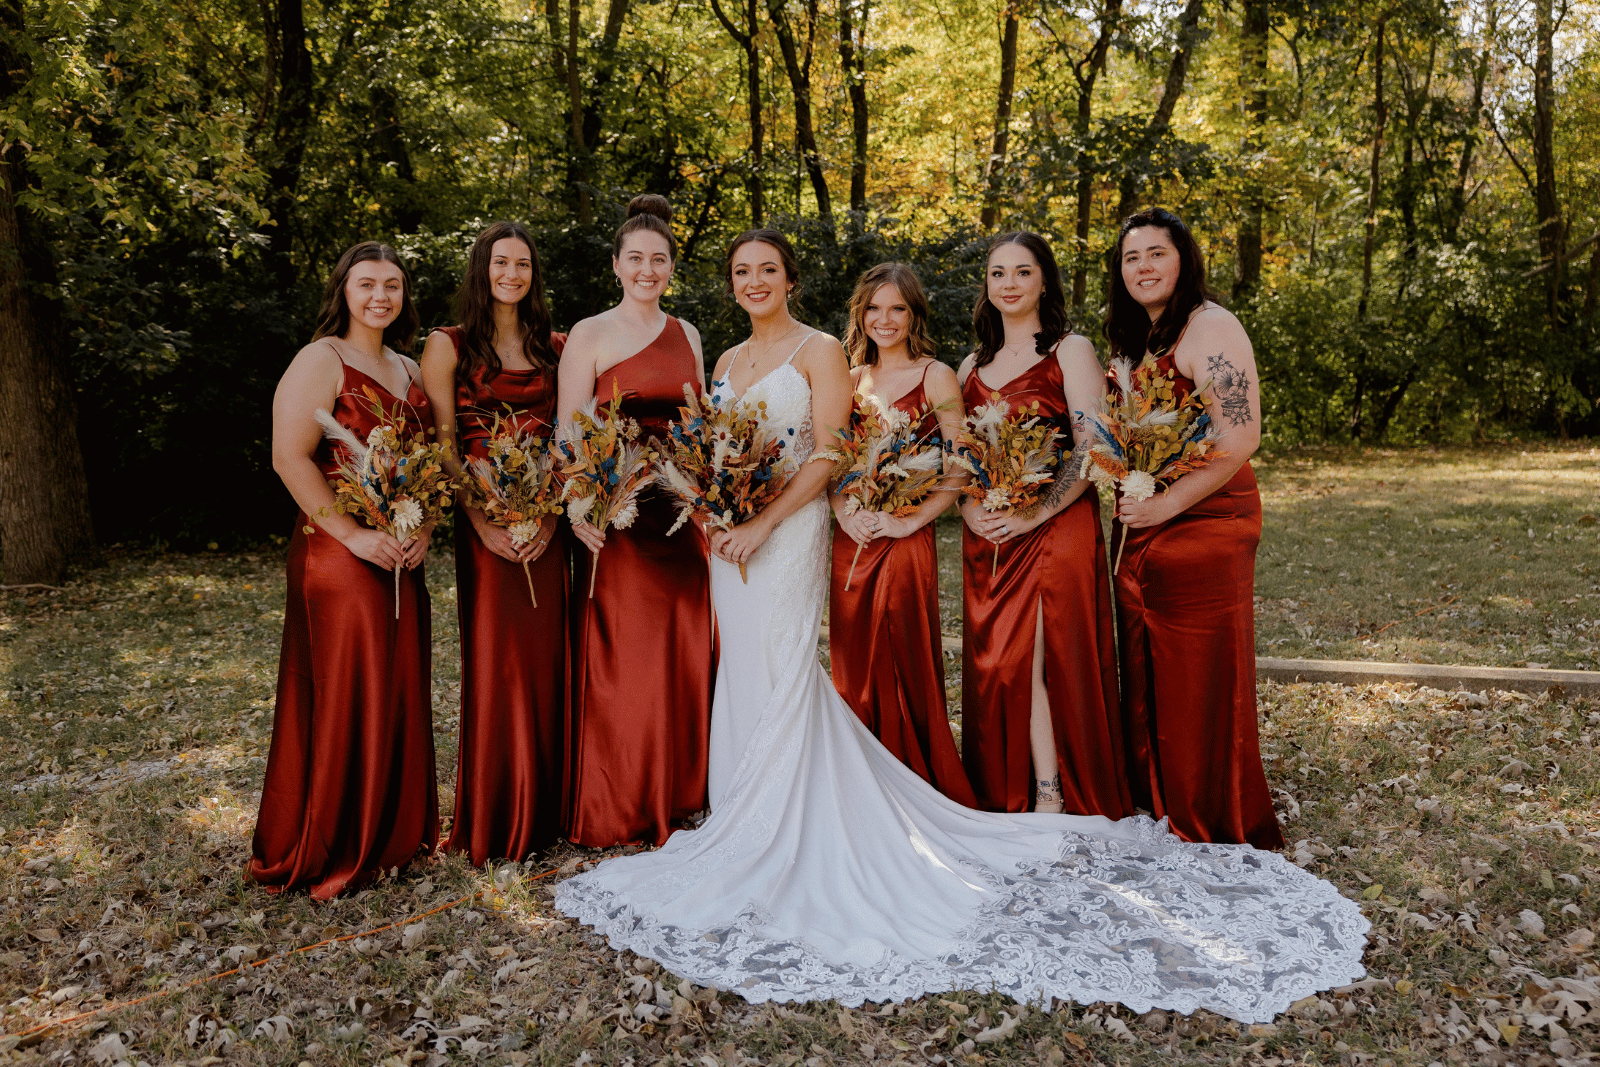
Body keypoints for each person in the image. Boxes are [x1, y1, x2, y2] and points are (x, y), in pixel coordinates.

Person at [552, 228, 1368, 1024]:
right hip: (787, 531)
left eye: (1022, 271)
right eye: (742, 269)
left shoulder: (954, 356)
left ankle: (1039, 792)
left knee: (860, 660)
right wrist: (722, 503)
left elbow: (982, 447)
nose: (754, 280)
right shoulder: (736, 358)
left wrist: (935, 511)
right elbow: (786, 447)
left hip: (870, 529)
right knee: (821, 664)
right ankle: (745, 803)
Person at [249, 241, 438, 899]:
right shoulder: (320, 359)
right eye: (367, 284)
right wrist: (354, 535)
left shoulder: (409, 367)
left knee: (395, 682)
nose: (380, 296)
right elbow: (289, 456)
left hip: (400, 551)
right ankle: (333, 838)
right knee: (346, 687)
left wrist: (424, 529)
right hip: (339, 551)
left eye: (392, 285)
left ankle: (388, 834)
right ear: (344, 290)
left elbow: (426, 464)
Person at [1106, 207, 1285, 850]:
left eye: (1157, 253)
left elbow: (1240, 436)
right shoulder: (1138, 338)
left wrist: (1165, 506)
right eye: (1131, 257)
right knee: (1149, 667)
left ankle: (1206, 811)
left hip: (1206, 520)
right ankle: (1159, 797)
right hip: (1145, 523)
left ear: (1184, 260)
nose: (1144, 267)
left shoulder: (1210, 325)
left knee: (1196, 674)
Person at [557, 194, 714, 848]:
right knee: (627, 652)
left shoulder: (689, 334)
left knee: (685, 642)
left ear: (671, 266)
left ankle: (682, 792)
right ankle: (620, 798)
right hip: (615, 514)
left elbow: (701, 426)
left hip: (679, 514)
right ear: (616, 265)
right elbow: (569, 429)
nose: (648, 270)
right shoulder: (589, 334)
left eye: (659, 259)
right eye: (636, 259)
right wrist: (578, 505)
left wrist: (709, 494)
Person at [956, 232, 1128, 819]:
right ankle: (1010, 787)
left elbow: (1093, 445)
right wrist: (971, 511)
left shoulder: (1069, 350)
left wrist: (1037, 511)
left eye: (1022, 272)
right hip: (991, 534)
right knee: (999, 663)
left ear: (1045, 281)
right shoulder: (971, 366)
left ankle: (1053, 793)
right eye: (997, 273)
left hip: (1056, 525)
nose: (1008, 284)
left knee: (1040, 660)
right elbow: (960, 460)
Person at [419, 221, 567, 865]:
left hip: (546, 524)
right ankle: (498, 812)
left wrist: (551, 520)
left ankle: (553, 808)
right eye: (501, 262)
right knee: (496, 660)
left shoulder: (556, 346)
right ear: (482, 269)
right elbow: (444, 445)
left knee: (547, 661)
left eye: (523, 264)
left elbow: (569, 438)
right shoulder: (447, 345)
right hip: (485, 523)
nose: (512, 274)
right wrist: (482, 523)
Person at [827, 263, 975, 806]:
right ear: (860, 314)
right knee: (853, 660)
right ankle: (858, 787)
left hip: (903, 539)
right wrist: (844, 512)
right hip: (853, 538)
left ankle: (910, 783)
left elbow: (960, 464)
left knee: (900, 654)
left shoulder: (935, 374)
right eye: (873, 308)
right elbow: (830, 460)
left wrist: (910, 520)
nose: (884, 319)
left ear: (914, 315)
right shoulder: (849, 377)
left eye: (897, 308)